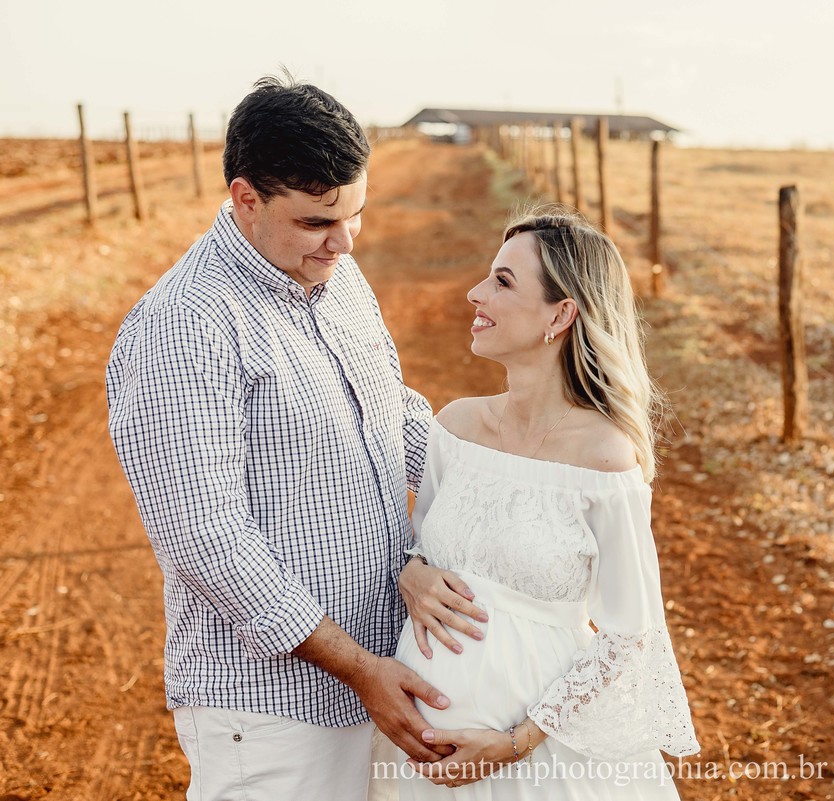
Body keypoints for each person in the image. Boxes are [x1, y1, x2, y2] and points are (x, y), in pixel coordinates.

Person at [106, 73, 454, 800]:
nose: (345, 240)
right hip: (268, 711)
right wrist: (359, 666)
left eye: (355, 214)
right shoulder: (185, 326)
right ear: (245, 198)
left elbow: (395, 414)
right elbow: (208, 538)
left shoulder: (339, 275)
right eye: (318, 221)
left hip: (381, 675)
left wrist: (515, 469)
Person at [369, 207, 700, 799]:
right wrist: (412, 573)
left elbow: (632, 635)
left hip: (540, 760)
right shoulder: (455, 427)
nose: (476, 294)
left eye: (502, 281)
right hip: (423, 756)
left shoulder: (604, 458)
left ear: (561, 313)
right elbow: (421, 546)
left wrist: (517, 740)